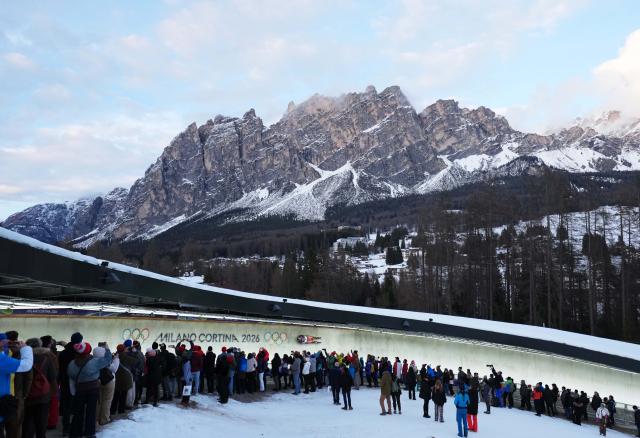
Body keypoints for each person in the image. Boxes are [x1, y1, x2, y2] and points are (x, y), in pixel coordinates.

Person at [67, 341, 112, 438]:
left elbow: (71, 377)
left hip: (79, 389)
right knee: (91, 412)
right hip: (92, 389)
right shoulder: (94, 362)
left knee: (78, 412)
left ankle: (75, 433)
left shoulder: (71, 364)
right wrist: (107, 349)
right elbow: (108, 360)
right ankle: (89, 432)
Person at [24, 338, 53, 438]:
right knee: (41, 422)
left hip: (27, 394)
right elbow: (52, 377)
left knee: (28, 421)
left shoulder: (24, 357)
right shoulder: (47, 357)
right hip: (43, 395)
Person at [94, 345, 118, 425]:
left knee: (98, 401)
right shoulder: (105, 361)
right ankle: (104, 419)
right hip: (109, 381)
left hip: (97, 381)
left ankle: (96, 419)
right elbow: (114, 369)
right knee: (107, 400)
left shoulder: (92, 361)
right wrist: (116, 359)